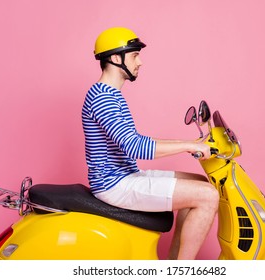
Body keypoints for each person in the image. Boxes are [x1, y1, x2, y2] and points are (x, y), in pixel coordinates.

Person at [82, 27, 219, 260]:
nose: (140, 62)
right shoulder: (103, 98)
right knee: (208, 196)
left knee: (199, 182)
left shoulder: (110, 94)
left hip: (125, 175)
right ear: (116, 58)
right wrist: (189, 147)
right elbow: (135, 147)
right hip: (114, 184)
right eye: (134, 55)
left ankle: (174, 263)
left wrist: (190, 142)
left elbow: (136, 139)